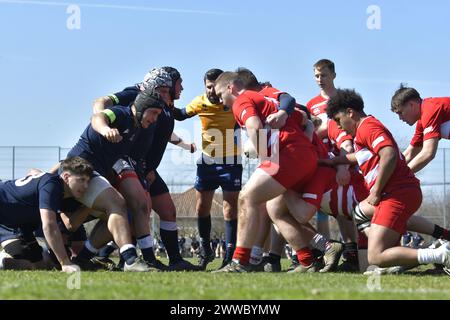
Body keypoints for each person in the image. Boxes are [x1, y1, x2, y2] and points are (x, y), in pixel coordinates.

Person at [323, 88, 450, 270]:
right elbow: (406, 153)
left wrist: (379, 188)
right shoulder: (365, 129)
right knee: (360, 212)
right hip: (399, 191)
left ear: (350, 112)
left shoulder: (369, 126)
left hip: (396, 193)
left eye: (338, 120)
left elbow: (397, 154)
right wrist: (332, 161)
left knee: (376, 255)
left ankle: (439, 255)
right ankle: (418, 251)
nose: (339, 126)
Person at [93, 67, 200, 271]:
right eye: (180, 83)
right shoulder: (140, 94)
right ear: (164, 84)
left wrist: (185, 145)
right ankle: (125, 258)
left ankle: (175, 260)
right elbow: (101, 102)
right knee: (141, 208)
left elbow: (163, 132)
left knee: (168, 211)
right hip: (133, 165)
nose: (182, 87)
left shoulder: (164, 104)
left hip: (149, 168)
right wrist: (103, 126)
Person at [213, 72, 318, 272]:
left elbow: (254, 126)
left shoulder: (241, 100)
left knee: (246, 198)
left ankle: (239, 262)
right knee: (276, 211)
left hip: (288, 155)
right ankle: (308, 260)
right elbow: (303, 118)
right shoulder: (265, 98)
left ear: (230, 88)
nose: (220, 101)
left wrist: (265, 159)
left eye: (220, 95)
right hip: (303, 155)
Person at [64, 88, 166, 272]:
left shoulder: (136, 128)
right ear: (142, 107)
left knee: (121, 217)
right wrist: (105, 129)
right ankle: (130, 261)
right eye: (154, 113)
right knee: (117, 203)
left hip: (94, 173)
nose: (155, 119)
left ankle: (82, 259)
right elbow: (98, 117)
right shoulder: (122, 113)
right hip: (80, 172)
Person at [172, 68, 241, 270]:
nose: (211, 91)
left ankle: (229, 255)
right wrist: (164, 102)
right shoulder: (200, 101)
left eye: (214, 87)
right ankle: (205, 249)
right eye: (208, 87)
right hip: (207, 162)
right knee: (201, 207)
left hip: (231, 161)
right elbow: (181, 115)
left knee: (229, 208)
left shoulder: (232, 101)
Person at [306, 59, 358, 271]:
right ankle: (323, 252)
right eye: (317, 76)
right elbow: (311, 131)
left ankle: (352, 252)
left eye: (324, 75)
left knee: (343, 209)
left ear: (334, 75)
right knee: (321, 209)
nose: (320, 79)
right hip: (321, 161)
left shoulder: (344, 99)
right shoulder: (311, 104)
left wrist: (344, 164)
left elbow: (354, 127)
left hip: (343, 159)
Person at [0, 157, 93, 273]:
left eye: (88, 181)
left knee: (40, 265)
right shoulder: (52, 185)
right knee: (26, 264)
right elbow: (49, 225)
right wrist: (65, 263)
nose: (86, 186)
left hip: (20, 224)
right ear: (66, 177)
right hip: (5, 215)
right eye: (82, 180)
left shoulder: (59, 190)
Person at [390, 84, 450, 173]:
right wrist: (388, 172)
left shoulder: (429, 110)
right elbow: (410, 152)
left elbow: (428, 153)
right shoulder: (422, 121)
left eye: (400, 112)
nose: (400, 118)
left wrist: (401, 175)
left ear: (411, 105)